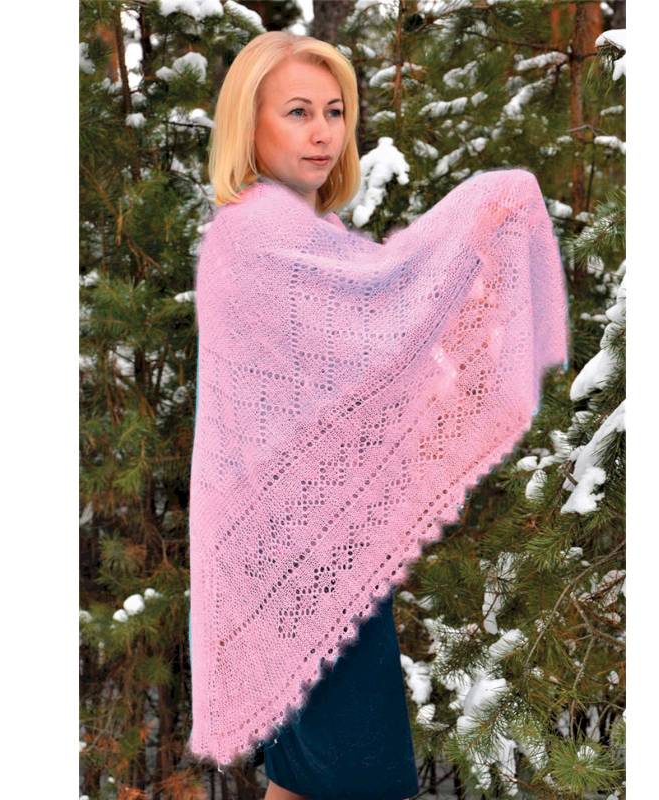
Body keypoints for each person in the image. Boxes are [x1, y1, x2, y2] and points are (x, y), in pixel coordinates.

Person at [204, 31, 420, 800]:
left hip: (319, 547)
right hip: (307, 556)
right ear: (250, 123)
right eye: (297, 112)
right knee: (357, 779)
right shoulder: (263, 237)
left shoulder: (299, 235)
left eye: (334, 111)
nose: (323, 131)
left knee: (304, 779)